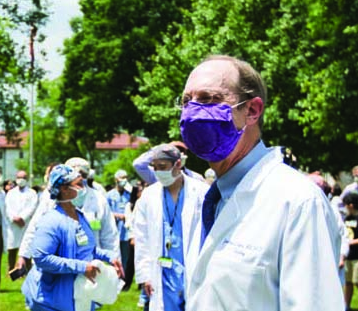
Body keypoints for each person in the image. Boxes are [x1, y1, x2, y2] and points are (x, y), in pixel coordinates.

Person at [179, 55, 343, 310]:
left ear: (252, 111)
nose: (192, 113)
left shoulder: (297, 202)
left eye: (209, 99)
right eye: (186, 101)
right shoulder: (211, 200)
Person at [21, 164, 124, 311]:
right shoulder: (52, 221)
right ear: (64, 189)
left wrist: (110, 257)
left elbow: (86, 249)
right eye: (79, 184)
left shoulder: (80, 217)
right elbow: (41, 258)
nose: (84, 188)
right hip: (50, 300)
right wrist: (82, 267)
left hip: (77, 297)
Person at [134, 144, 209, 311]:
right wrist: (145, 274)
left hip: (193, 266)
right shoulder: (149, 195)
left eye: (163, 167)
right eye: (155, 167)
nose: (158, 172)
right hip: (162, 269)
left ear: (178, 165)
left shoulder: (201, 192)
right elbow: (141, 236)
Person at [5, 170, 38, 273]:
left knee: (26, 247)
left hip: (25, 224)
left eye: (23, 178)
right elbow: (7, 207)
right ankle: (11, 269)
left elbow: (32, 207)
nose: (20, 180)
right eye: (19, 177)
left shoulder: (32, 193)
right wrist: (14, 218)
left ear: (27, 179)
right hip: (13, 224)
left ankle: (26, 270)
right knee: (12, 247)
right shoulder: (11, 193)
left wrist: (23, 217)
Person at [106, 169, 132, 275]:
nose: (124, 180)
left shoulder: (129, 195)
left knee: (125, 256)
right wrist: (117, 215)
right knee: (114, 255)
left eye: (126, 177)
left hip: (126, 231)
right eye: (122, 177)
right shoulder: (109, 195)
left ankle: (123, 277)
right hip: (113, 230)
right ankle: (113, 275)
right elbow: (105, 212)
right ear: (116, 179)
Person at [343, 193, 358, 309]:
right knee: (348, 283)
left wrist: (350, 242)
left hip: (357, 257)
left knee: (357, 282)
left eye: (346, 204)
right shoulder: (347, 218)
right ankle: (346, 306)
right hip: (348, 256)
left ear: (351, 205)